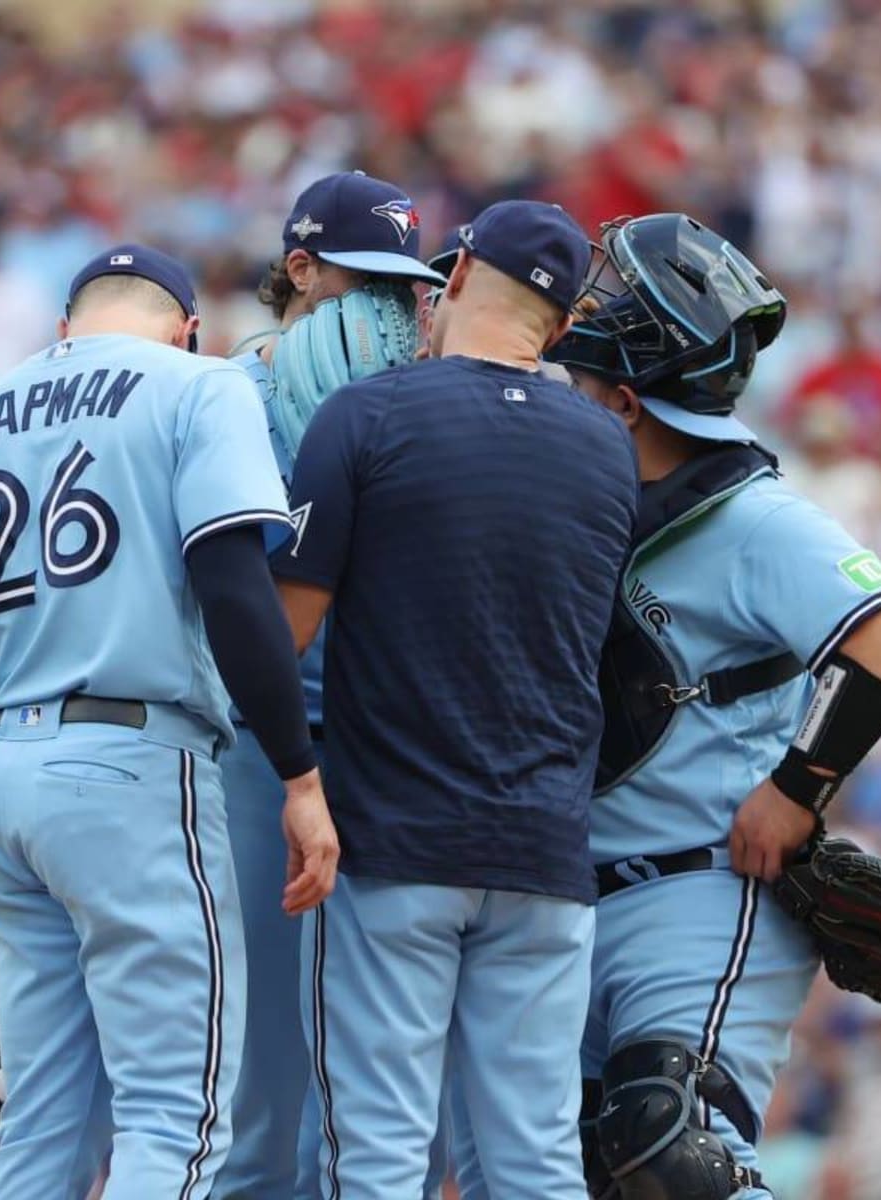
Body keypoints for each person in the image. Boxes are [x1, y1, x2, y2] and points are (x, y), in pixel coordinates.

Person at [446, 213, 881, 1200]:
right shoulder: (576, 493)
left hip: (700, 886)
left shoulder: (751, 515)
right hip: (562, 898)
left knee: (669, 1147)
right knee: (546, 1173)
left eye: (583, 379)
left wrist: (798, 787)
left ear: (624, 400)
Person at [0, 244, 339, 1200]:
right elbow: (233, 585)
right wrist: (299, 777)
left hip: (1, 781)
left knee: (41, 1129)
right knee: (174, 1118)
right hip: (130, 767)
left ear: (65, 327)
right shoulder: (199, 385)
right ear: (190, 327)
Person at [273, 199, 638, 1199]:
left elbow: (282, 633)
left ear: (460, 273)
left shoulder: (369, 414)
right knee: (534, 1162)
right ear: (560, 328)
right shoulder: (608, 449)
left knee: (380, 1156)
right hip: (546, 853)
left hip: (396, 843)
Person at [216, 171, 445, 1200]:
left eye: (407, 288)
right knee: (263, 1087)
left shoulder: (418, 402)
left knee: (386, 1099)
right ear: (300, 269)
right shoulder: (227, 394)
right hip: (261, 751)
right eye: (367, 282)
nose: (391, 308)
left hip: (385, 750)